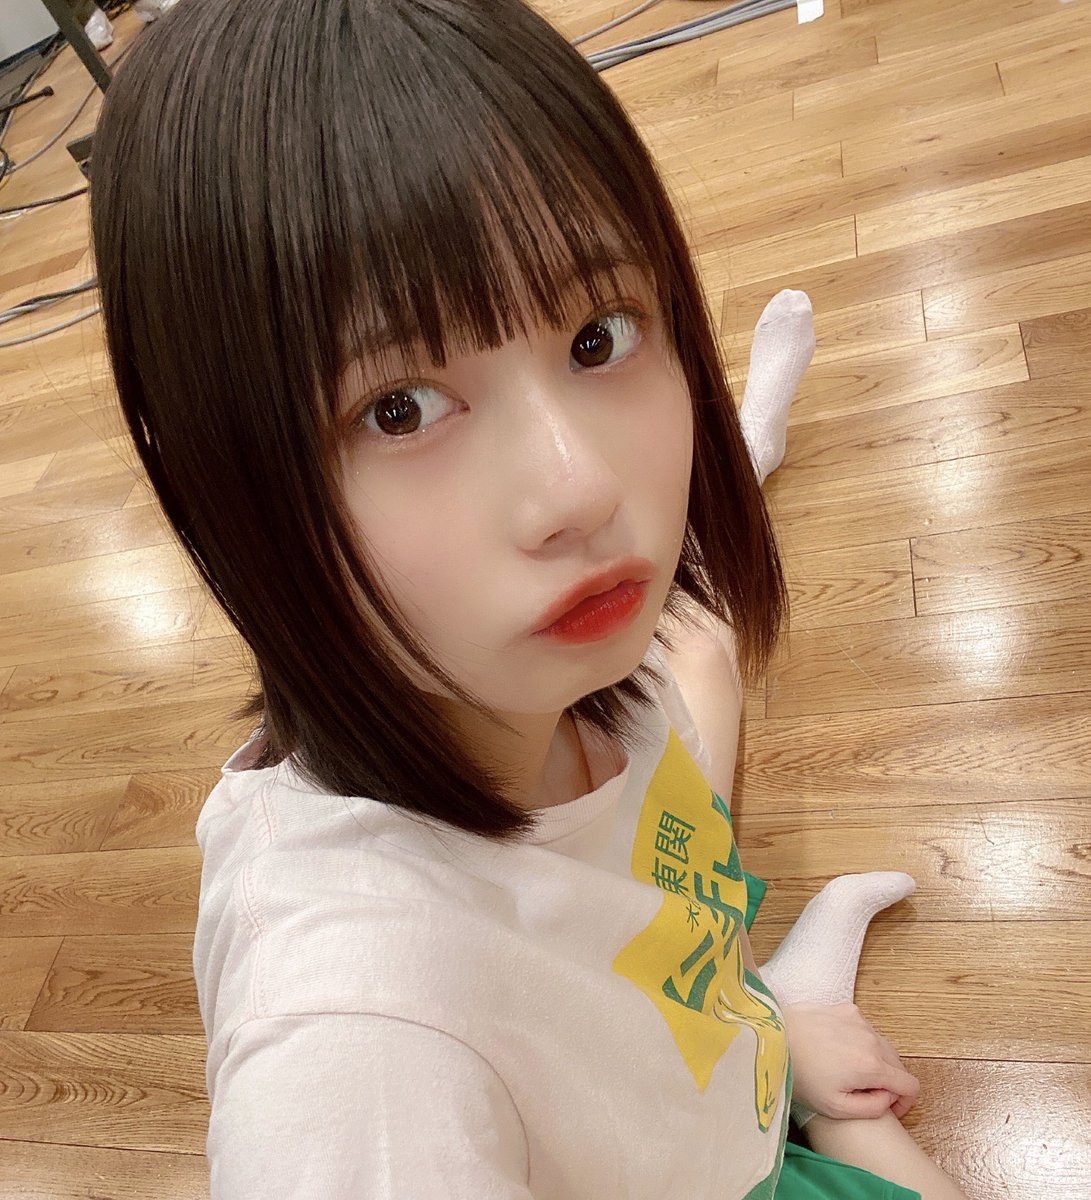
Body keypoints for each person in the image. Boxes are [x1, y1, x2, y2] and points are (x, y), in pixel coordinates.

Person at [86, 0, 970, 1196]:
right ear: (216, 477)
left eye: (598, 336)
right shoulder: (359, 1053)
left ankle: (766, 1010)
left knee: (693, 657)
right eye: (399, 408)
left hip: (711, 1071)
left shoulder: (536, 658)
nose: (579, 488)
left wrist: (761, 1040)